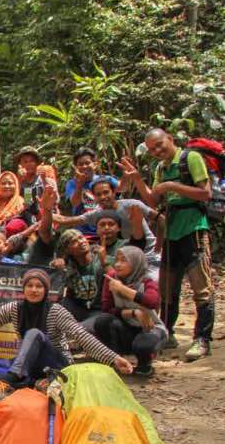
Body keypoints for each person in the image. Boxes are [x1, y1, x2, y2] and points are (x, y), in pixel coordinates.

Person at [0, 268, 133, 404]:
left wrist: (113, 358)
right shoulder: (15, 308)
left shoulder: (56, 311)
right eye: (30, 286)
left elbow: (81, 335)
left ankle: (9, 383)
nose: (34, 290)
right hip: (29, 366)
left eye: (39, 286)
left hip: (56, 364)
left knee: (34, 333)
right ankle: (34, 384)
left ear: (45, 290)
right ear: (23, 289)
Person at [119, 129, 214, 360]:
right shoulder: (160, 168)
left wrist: (172, 186)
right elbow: (153, 199)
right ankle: (167, 333)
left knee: (201, 288)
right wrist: (138, 179)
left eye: (159, 145)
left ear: (170, 139)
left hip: (193, 229)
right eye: (152, 149)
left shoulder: (190, 158)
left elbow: (205, 193)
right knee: (167, 290)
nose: (157, 151)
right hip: (171, 233)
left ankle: (202, 339)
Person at [91, 246, 168, 378]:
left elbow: (152, 301)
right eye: (117, 260)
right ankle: (114, 360)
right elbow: (106, 308)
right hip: (126, 327)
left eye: (123, 261)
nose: (118, 265)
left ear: (135, 262)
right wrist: (133, 312)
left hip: (149, 328)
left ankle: (145, 364)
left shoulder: (147, 280)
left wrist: (122, 289)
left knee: (144, 344)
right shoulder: (112, 278)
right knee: (103, 321)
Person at [54, 177, 159, 270]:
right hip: (128, 259)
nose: (103, 197)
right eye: (98, 194)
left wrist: (159, 247)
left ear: (113, 192)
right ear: (94, 197)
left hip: (150, 255)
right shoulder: (97, 214)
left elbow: (160, 219)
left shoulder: (132, 205)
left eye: (106, 192)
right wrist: (46, 211)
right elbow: (65, 220)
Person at [52, 229, 104, 326]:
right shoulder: (67, 265)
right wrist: (61, 271)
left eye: (81, 238)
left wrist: (105, 263)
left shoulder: (101, 259)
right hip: (79, 309)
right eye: (74, 241)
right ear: (67, 250)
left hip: (99, 310)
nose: (81, 242)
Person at [13, 146, 45, 217]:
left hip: (42, 214)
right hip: (22, 215)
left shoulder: (42, 178)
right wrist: (19, 180)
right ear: (20, 165)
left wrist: (44, 178)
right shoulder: (15, 180)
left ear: (37, 163)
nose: (29, 164)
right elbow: (12, 200)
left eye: (32, 161)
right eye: (25, 162)